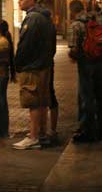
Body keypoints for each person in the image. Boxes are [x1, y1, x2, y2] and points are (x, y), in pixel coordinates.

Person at [12, 0, 53, 150]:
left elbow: (25, 45)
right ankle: (41, 134)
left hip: (32, 67)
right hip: (43, 65)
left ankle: (33, 136)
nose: (19, 2)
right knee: (42, 101)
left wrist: (18, 64)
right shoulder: (45, 17)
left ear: (31, 0)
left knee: (33, 101)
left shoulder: (32, 18)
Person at [68, 0, 102, 143]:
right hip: (101, 62)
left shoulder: (76, 25)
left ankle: (87, 129)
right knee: (100, 94)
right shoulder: (97, 19)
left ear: (72, 11)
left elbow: (73, 48)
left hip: (86, 63)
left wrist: (73, 56)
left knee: (86, 96)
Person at [40, 8, 59, 144]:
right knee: (50, 95)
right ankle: (51, 128)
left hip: (43, 65)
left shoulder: (44, 29)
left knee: (45, 96)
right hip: (49, 63)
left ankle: (45, 129)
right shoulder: (51, 27)